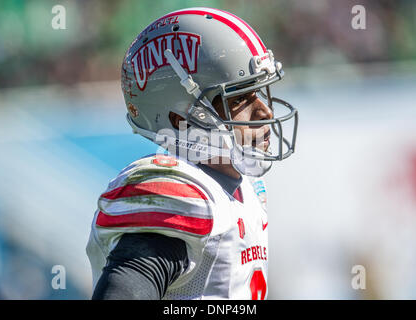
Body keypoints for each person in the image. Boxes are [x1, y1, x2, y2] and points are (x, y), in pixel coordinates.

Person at [86, 7, 298, 300]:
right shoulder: (181, 193)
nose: (265, 111)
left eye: (259, 92)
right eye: (239, 98)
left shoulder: (245, 189)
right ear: (182, 120)